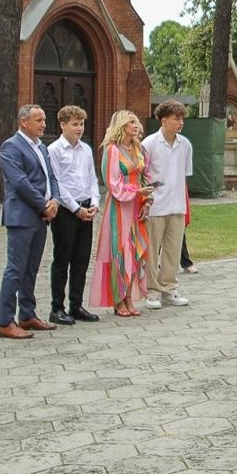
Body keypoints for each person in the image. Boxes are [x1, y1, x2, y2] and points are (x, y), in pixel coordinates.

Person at [0, 104, 60, 340]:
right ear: (23, 122)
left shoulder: (41, 147)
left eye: (44, 119)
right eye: (38, 120)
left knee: (31, 268)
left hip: (41, 216)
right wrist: (43, 205)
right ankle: (5, 321)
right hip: (22, 216)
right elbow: (20, 182)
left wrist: (55, 200)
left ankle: (27, 314)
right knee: (15, 269)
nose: (44, 124)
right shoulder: (11, 147)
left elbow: (51, 177)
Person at [92, 110, 153, 318]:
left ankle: (129, 297)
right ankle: (118, 300)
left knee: (135, 251)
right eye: (131, 122)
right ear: (121, 125)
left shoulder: (138, 148)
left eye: (136, 122)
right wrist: (136, 192)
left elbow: (146, 176)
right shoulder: (111, 150)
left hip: (138, 206)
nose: (136, 125)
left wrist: (147, 201)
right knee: (120, 250)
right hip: (119, 207)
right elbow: (112, 183)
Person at [47, 105, 99, 326]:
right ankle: (57, 308)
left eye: (82, 124)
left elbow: (92, 178)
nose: (79, 128)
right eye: (75, 124)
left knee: (81, 259)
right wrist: (76, 209)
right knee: (63, 258)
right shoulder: (54, 150)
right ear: (63, 125)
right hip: (66, 211)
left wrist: (94, 202)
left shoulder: (86, 149)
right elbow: (56, 183)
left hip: (86, 207)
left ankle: (76, 305)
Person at [141, 100, 193, 310]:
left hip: (177, 205)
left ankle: (169, 289)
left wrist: (185, 205)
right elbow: (143, 176)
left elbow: (184, 176)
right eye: (175, 119)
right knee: (152, 251)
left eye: (182, 119)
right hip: (155, 205)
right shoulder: (149, 144)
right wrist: (147, 201)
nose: (180, 122)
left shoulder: (185, 144)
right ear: (163, 120)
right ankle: (152, 291)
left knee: (173, 251)